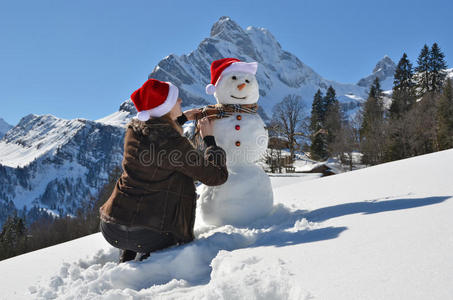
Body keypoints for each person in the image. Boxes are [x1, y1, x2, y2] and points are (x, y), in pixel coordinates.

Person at [99, 78, 228, 263]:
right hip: (151, 233)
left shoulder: (134, 133)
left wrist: (182, 118)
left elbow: (158, 136)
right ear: (165, 108)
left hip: (112, 226)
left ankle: (128, 253)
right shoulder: (174, 145)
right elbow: (216, 177)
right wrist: (209, 141)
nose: (181, 102)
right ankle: (148, 257)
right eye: (176, 100)